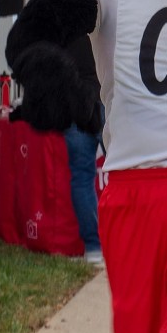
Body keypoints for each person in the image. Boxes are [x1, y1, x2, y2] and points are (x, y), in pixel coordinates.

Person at [62, 33, 104, 266]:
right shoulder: (111, 5)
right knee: (126, 175)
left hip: (77, 103)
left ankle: (94, 249)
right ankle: (127, 244)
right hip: (108, 97)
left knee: (81, 177)